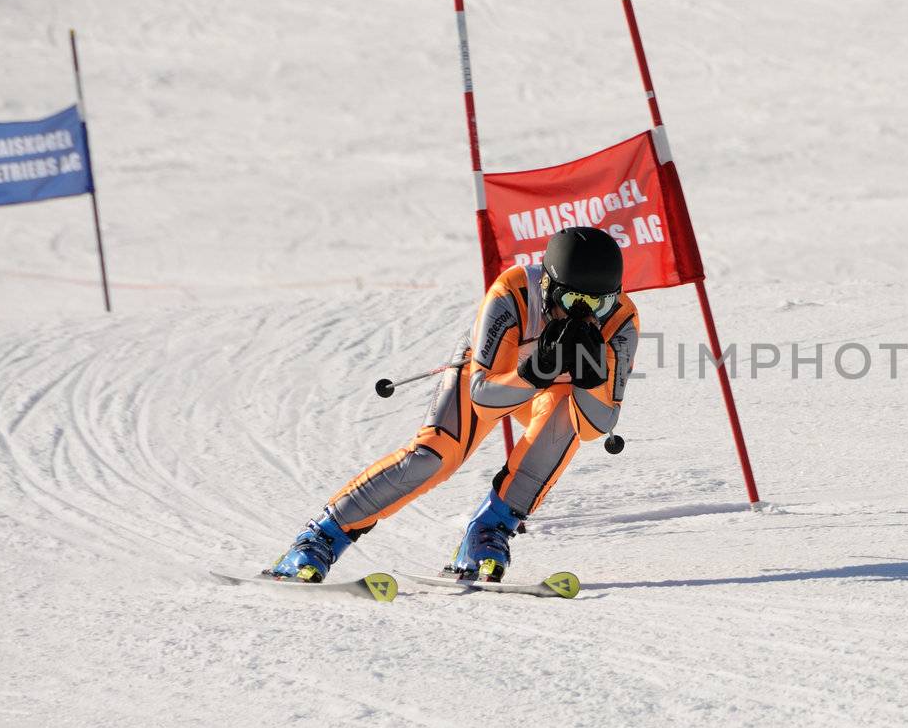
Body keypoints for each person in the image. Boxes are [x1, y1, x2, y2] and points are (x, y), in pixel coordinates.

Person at [267, 226, 640, 583]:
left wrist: (590, 383)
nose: (585, 314)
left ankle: (488, 531)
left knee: (567, 416)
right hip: (492, 374)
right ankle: (320, 536)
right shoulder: (512, 291)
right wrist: (532, 375)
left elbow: (597, 426)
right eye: (572, 300)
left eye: (599, 302)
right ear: (547, 285)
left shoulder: (622, 321)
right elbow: (482, 398)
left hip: (545, 393)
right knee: (435, 455)